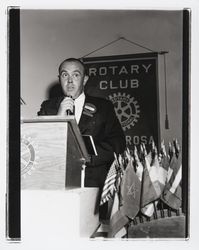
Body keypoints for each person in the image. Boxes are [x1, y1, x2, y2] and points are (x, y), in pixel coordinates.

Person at [38, 57, 126, 193]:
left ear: (85, 79)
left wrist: (87, 157)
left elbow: (118, 143)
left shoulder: (103, 107)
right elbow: (39, 144)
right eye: (65, 75)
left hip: (93, 182)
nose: (70, 80)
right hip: (57, 182)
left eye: (76, 75)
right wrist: (59, 117)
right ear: (59, 78)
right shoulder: (48, 107)